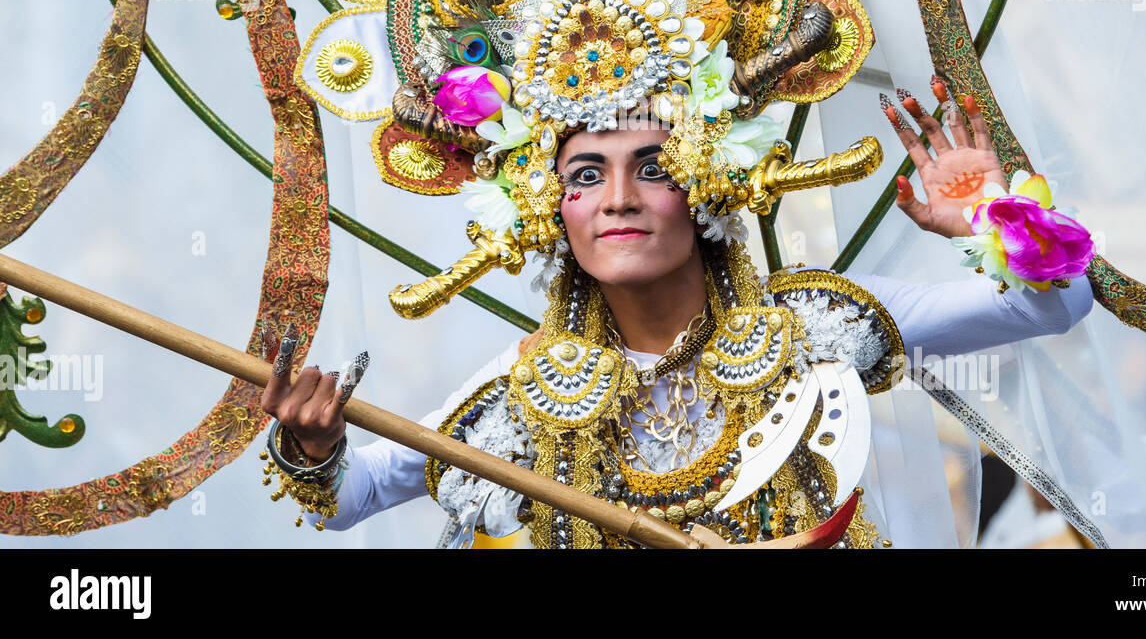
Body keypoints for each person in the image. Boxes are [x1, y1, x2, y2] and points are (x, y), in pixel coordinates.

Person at [260, 80, 1095, 547]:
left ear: (705, 185)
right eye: (585, 174)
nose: (618, 198)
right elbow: (354, 493)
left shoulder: (814, 324)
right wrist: (314, 443)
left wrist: (993, 212)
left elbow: (1055, 303)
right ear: (552, 210)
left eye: (651, 166)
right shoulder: (527, 389)